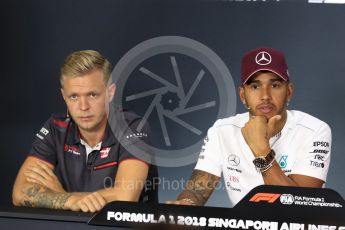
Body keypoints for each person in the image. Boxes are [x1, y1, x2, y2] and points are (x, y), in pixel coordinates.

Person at [167, 47, 332, 207]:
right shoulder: (222, 130)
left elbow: (302, 209)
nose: (265, 96)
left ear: (289, 92)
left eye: (274, 85)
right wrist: (187, 204)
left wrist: (261, 149)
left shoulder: (315, 130)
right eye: (255, 86)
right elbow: (196, 192)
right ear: (242, 95)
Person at [12, 50, 158, 212]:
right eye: (74, 96)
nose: (83, 107)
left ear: (110, 92)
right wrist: (70, 200)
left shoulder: (132, 127)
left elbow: (125, 197)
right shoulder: (55, 128)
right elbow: (19, 193)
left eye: (92, 95)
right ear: (63, 96)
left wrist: (63, 196)